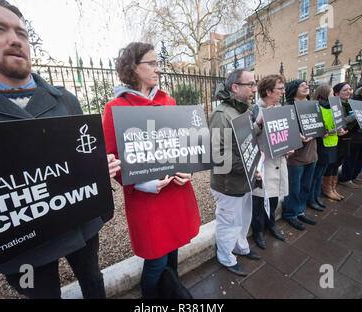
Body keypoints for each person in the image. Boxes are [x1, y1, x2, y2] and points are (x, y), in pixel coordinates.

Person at [0, 0, 121, 299]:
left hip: (80, 228)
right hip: (20, 247)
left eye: (22, 32)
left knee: (93, 281)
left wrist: (98, 169)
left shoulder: (66, 100)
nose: (15, 39)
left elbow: (82, 157)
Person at [102, 42, 201, 298]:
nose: (158, 69)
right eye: (152, 63)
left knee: (173, 253)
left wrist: (188, 169)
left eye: (159, 63)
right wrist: (140, 183)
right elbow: (112, 160)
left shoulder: (168, 100)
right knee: (156, 261)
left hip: (176, 192)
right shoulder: (115, 108)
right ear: (133, 67)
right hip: (147, 200)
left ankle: (172, 294)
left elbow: (182, 145)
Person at [209, 69, 261, 277]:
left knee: (242, 218)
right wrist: (249, 167)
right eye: (250, 84)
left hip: (245, 179)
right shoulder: (221, 115)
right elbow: (218, 156)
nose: (255, 89)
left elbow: (244, 141)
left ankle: (240, 247)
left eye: (255, 84)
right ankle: (225, 257)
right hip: (229, 184)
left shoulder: (242, 111)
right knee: (228, 221)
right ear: (235, 87)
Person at [251, 74, 290, 250]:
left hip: (279, 161)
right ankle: (258, 231)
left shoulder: (281, 108)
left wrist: (290, 145)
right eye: (280, 88)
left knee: (274, 198)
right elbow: (247, 136)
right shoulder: (254, 110)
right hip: (263, 164)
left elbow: (286, 134)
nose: (283, 92)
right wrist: (258, 123)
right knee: (259, 201)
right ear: (268, 91)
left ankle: (271, 225)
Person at [281, 80, 317, 231]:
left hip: (311, 154)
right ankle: (290, 214)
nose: (306, 86)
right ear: (293, 89)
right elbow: (283, 131)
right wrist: (297, 136)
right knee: (294, 188)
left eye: (306, 84)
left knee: (305, 186)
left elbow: (318, 126)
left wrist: (317, 132)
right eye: (302, 85)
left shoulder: (312, 106)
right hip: (296, 157)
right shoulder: (287, 108)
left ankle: (300, 211)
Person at [309, 85, 348, 211]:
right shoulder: (316, 108)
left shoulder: (333, 108)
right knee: (316, 174)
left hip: (333, 143)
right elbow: (317, 128)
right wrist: (327, 131)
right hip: (322, 145)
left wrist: (339, 131)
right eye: (332, 93)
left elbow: (336, 123)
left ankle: (318, 196)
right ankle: (312, 198)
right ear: (324, 94)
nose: (334, 96)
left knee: (322, 173)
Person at [322, 82, 356, 199]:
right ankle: (327, 189)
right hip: (336, 139)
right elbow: (337, 123)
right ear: (336, 93)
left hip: (345, 137)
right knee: (332, 164)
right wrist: (352, 118)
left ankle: (332, 187)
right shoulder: (334, 106)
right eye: (345, 90)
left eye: (350, 89)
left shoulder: (349, 104)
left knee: (336, 164)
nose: (348, 92)